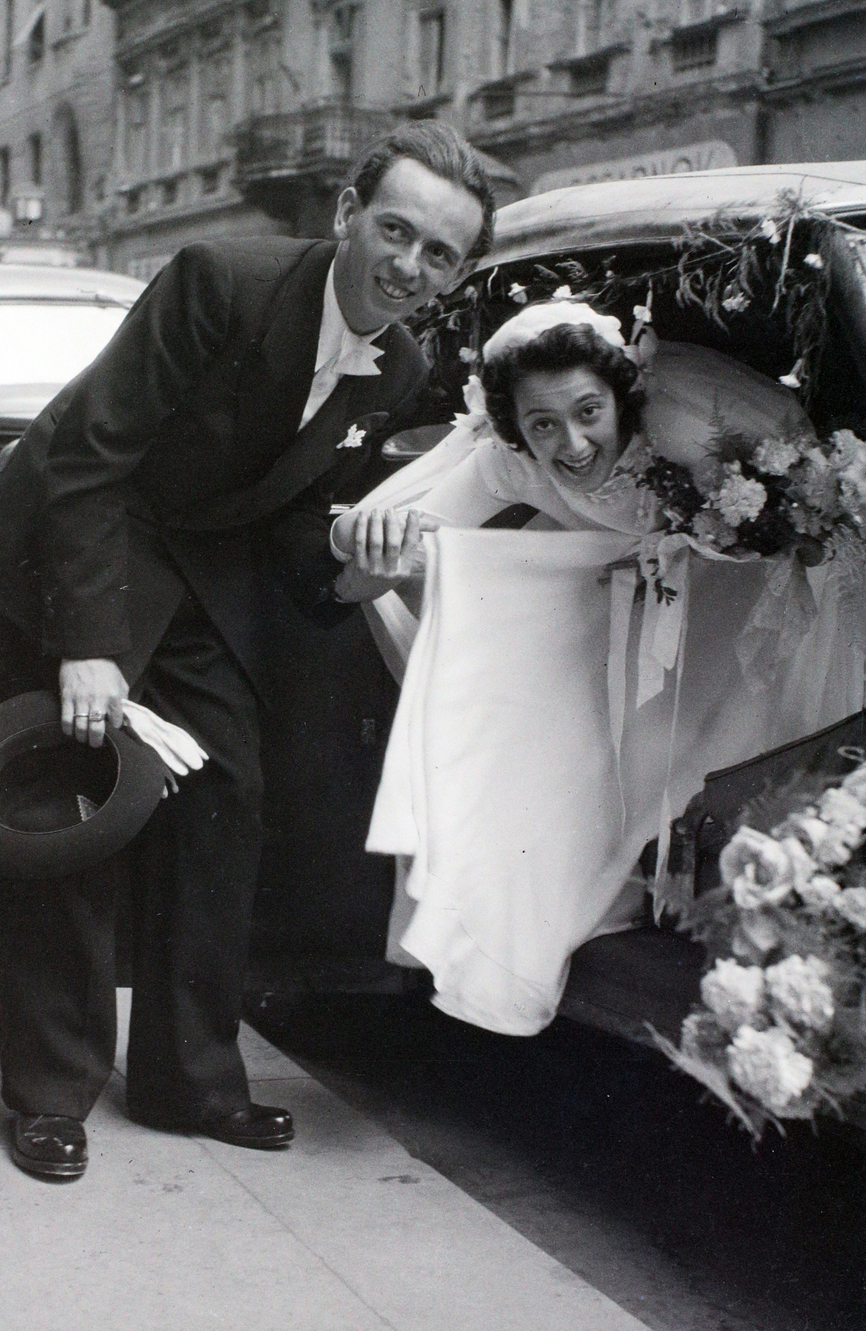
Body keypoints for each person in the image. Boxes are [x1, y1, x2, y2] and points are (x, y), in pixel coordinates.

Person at [0, 121, 495, 1178]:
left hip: (194, 563)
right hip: (77, 532)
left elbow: (290, 525)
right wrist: (88, 647)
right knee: (83, 802)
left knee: (228, 794)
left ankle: (187, 1081)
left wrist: (359, 569)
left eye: (439, 254)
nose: (409, 266)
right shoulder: (220, 277)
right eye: (394, 230)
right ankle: (47, 1092)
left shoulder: (396, 365)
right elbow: (88, 461)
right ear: (347, 215)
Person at [332, 302, 864, 1036]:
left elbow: (810, 502)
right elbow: (397, 542)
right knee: (582, 737)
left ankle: (773, 919)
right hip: (648, 583)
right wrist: (371, 541)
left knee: (764, 740)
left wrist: (751, 540)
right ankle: (638, 891)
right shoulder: (507, 460)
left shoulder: (682, 427)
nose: (573, 444)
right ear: (515, 425)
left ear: (621, 396)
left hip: (762, 574)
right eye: (542, 424)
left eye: (588, 411)